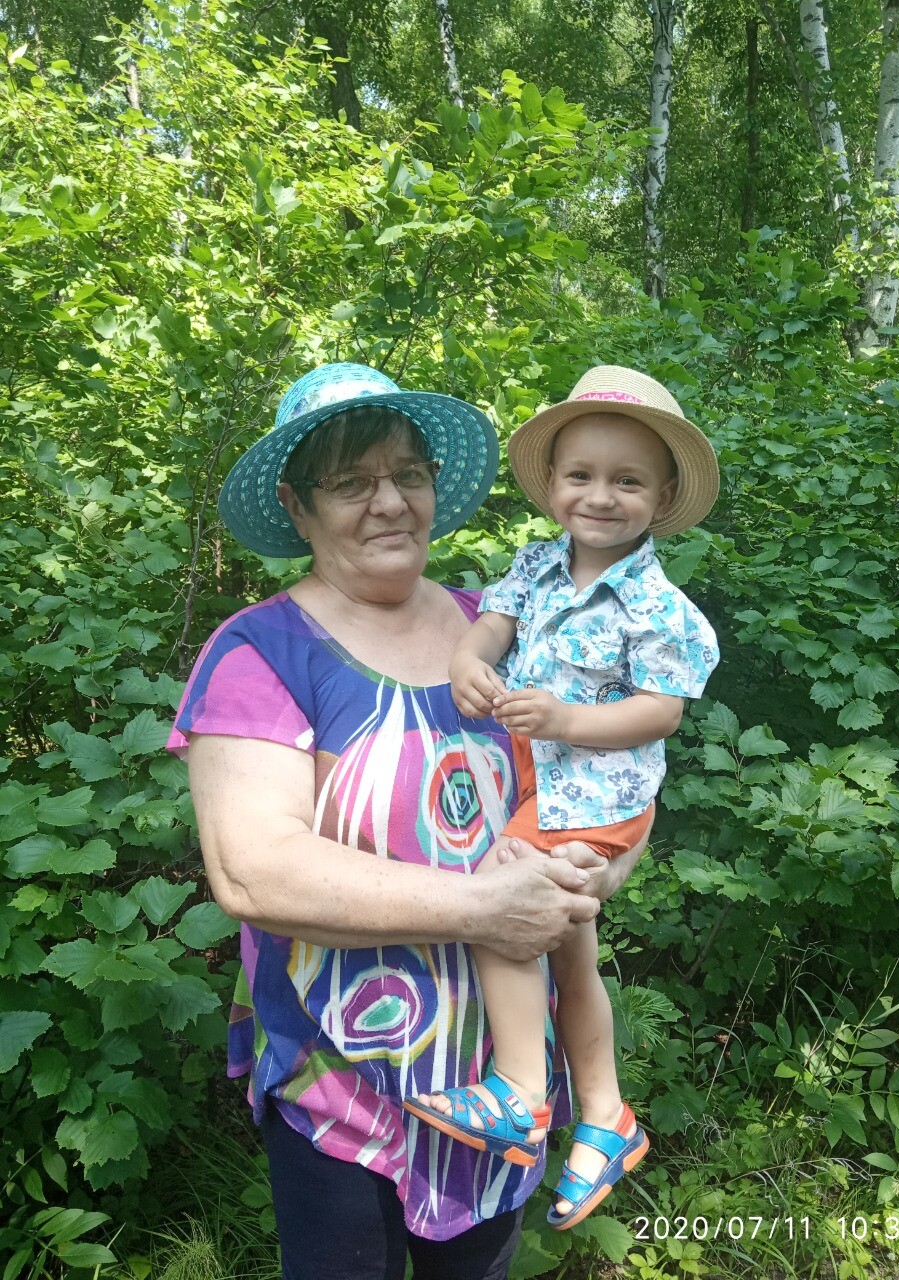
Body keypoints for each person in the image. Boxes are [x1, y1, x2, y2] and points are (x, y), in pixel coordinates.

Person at [166, 361, 648, 1280]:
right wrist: (485, 908)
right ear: (298, 506)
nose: (388, 502)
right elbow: (254, 869)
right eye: (351, 483)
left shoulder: (498, 629)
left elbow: (608, 777)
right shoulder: (261, 653)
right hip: (341, 1091)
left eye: (407, 475)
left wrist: (600, 870)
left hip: (502, 1087)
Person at [405, 365, 720, 1229]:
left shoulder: (656, 604)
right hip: (541, 783)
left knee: (504, 892)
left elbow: (662, 711)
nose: (601, 496)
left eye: (628, 481)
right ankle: (606, 1116)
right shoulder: (538, 567)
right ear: (552, 485)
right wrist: (467, 662)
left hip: (599, 793)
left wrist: (568, 719)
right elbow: (488, 629)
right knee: (571, 951)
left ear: (662, 498)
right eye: (582, 475)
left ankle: (518, 1089)